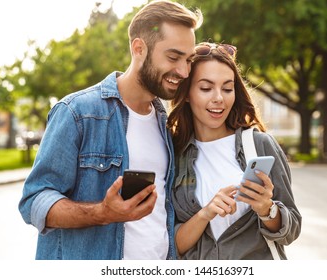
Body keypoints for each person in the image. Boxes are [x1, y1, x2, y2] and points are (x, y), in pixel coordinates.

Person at [18, 0, 202, 260]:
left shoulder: (166, 122)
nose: (183, 71)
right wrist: (103, 212)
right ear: (139, 48)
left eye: (188, 59)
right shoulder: (77, 112)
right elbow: (34, 200)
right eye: (173, 57)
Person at [167, 42, 302, 259]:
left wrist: (267, 209)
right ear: (186, 93)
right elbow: (172, 246)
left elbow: (291, 229)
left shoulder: (260, 145)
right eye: (206, 88)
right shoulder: (173, 154)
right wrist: (205, 213)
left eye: (227, 88)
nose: (219, 97)